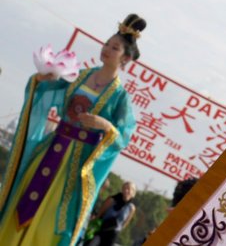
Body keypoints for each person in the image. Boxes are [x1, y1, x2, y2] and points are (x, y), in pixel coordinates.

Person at [0, 14, 145, 246]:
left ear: (125, 58)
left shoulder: (119, 96)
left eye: (115, 48)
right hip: (50, 147)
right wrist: (41, 79)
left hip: (75, 165)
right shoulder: (82, 75)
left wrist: (105, 125)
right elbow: (49, 90)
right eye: (107, 43)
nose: (106, 49)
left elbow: (124, 135)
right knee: (24, 198)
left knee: (53, 217)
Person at [85, 181, 137, 246]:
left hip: (113, 234)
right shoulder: (112, 200)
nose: (126, 191)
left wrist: (118, 229)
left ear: (133, 193)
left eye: (129, 189)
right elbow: (100, 213)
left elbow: (125, 223)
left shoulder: (131, 208)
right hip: (101, 229)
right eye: (125, 188)